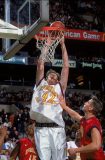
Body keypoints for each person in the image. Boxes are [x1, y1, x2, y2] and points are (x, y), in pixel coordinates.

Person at [30, 36, 69, 160]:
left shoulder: (60, 87)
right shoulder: (40, 84)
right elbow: (41, 64)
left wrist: (62, 45)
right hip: (40, 129)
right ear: (46, 78)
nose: (52, 78)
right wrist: (47, 44)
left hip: (56, 128)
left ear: (58, 80)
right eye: (50, 76)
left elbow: (66, 67)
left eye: (55, 77)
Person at [59, 95, 105, 160]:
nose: (85, 103)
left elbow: (96, 145)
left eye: (88, 102)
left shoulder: (94, 123)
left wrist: (76, 150)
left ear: (90, 108)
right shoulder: (85, 120)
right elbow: (75, 115)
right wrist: (64, 106)